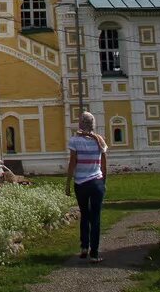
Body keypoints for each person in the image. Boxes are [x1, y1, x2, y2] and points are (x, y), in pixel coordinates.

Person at [65, 111, 108, 264]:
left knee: (84, 213)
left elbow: (72, 163)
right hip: (96, 181)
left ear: (80, 124)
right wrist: (104, 181)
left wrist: (68, 183)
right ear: (93, 124)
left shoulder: (75, 141)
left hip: (80, 183)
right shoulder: (99, 140)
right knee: (95, 218)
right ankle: (94, 253)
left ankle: (84, 247)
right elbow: (104, 161)